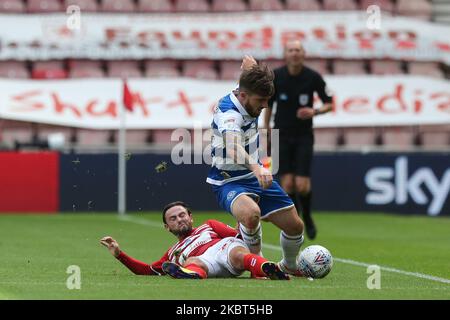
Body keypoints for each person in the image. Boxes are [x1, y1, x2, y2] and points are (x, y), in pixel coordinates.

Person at [206, 56, 305, 276]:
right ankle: (257, 264)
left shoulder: (247, 91)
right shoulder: (228, 113)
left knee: (295, 227)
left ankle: (289, 265)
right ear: (243, 96)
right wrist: (257, 167)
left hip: (254, 176)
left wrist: (254, 66)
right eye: (261, 100)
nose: (265, 106)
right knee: (251, 214)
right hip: (228, 179)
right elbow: (232, 148)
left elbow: (252, 77)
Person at [100, 201, 289, 280]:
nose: (179, 219)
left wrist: (244, 221)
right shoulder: (173, 252)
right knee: (192, 261)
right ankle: (192, 274)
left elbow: (239, 237)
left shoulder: (209, 225)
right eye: (173, 219)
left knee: (238, 253)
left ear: (191, 217)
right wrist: (119, 255)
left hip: (222, 248)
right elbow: (148, 270)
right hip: (207, 264)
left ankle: (268, 269)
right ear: (167, 227)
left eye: (182, 215)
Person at [264, 40, 333, 240]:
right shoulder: (276, 76)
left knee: (302, 184)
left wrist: (315, 111)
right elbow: (268, 104)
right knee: (287, 184)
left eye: (298, 50)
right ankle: (297, 220)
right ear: (285, 54)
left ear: (304, 54)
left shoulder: (313, 77)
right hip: (281, 134)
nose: (294, 53)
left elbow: (329, 103)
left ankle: (308, 217)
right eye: (291, 50)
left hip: (303, 135)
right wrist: (266, 129)